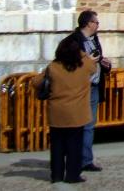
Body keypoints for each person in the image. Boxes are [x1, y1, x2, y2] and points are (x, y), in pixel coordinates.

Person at [40, 36, 97, 185]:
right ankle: (72, 175)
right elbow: (93, 68)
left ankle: (56, 175)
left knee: (57, 147)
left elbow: (37, 82)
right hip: (77, 113)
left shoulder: (53, 66)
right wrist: (84, 55)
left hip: (57, 112)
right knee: (75, 146)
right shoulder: (84, 64)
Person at [69, 10, 111, 173]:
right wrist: (87, 61)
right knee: (77, 125)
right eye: (96, 22)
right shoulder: (73, 41)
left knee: (89, 125)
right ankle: (74, 159)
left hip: (94, 86)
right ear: (88, 23)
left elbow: (98, 60)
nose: (98, 25)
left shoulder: (95, 40)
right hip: (80, 87)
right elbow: (69, 63)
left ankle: (86, 160)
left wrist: (105, 64)